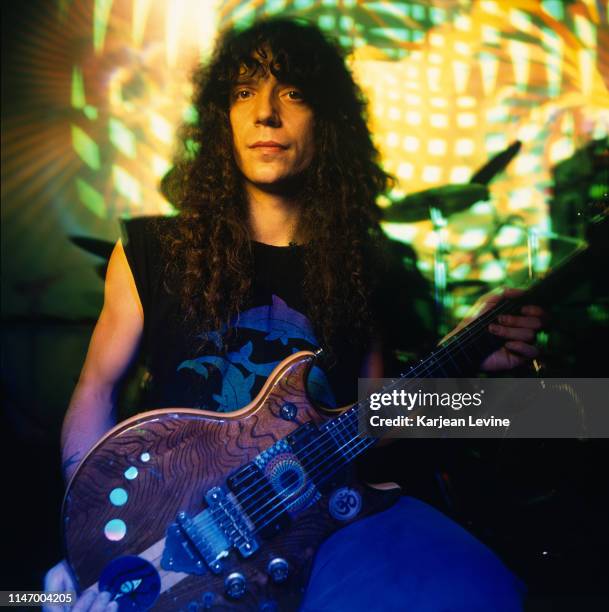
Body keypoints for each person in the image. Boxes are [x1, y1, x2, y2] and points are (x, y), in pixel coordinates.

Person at [44, 17, 544, 611]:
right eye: (243, 92)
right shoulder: (151, 251)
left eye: (294, 93)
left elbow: (374, 426)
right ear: (223, 119)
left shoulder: (364, 264)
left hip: (325, 524)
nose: (266, 113)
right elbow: (97, 390)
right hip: (177, 527)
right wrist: (89, 532)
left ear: (325, 123)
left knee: (483, 589)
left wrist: (470, 370)